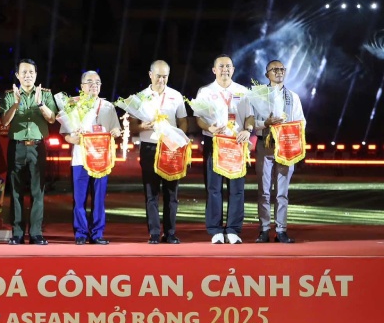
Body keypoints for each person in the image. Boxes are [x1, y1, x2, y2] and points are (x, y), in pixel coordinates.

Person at [195, 54, 254, 245]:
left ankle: (234, 229)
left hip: (236, 144)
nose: (225, 69)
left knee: (237, 189)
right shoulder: (205, 92)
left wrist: (248, 129)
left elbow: (250, 117)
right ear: (214, 70)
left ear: (233, 69)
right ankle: (215, 230)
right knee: (214, 188)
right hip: (215, 143)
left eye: (228, 66)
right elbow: (198, 118)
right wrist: (208, 128)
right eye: (221, 66)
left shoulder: (243, 91)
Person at [128, 61, 188, 244]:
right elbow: (132, 126)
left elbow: (183, 121)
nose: (161, 80)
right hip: (149, 147)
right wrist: (142, 126)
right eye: (158, 76)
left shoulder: (176, 96)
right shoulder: (140, 97)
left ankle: (170, 233)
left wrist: (180, 137)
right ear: (150, 75)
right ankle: (154, 233)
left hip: (171, 148)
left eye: (165, 76)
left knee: (172, 193)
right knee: (151, 192)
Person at [1, 58, 58, 245]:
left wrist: (40, 104)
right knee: (16, 191)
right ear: (17, 75)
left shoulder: (45, 94)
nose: (28, 76)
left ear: (36, 74)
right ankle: (17, 233)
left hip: (37, 146)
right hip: (16, 146)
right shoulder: (10, 95)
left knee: (37, 191)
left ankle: (35, 233)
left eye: (31, 72)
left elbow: (52, 119)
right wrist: (16, 104)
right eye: (24, 72)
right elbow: (4, 122)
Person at [61, 71, 121, 245]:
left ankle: (97, 233)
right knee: (79, 199)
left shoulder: (108, 107)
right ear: (82, 86)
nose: (94, 85)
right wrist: (73, 139)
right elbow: (65, 134)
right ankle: (80, 233)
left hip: (101, 160)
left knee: (99, 198)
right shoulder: (73, 105)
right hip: (80, 159)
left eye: (98, 82)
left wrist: (116, 132)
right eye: (90, 82)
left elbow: (115, 130)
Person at [251, 60, 305, 244]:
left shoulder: (293, 97)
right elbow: (250, 123)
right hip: (264, 143)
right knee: (264, 190)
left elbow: (301, 122)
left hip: (285, 146)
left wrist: (288, 131)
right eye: (274, 69)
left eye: (282, 69)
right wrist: (265, 123)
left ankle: (281, 230)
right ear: (267, 74)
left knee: (282, 191)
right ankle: (264, 229)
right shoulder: (258, 95)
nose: (279, 72)